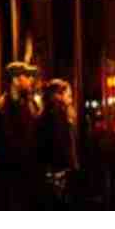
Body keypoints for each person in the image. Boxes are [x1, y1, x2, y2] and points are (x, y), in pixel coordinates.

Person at [0, 61, 41, 210]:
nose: (31, 80)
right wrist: (9, 156)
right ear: (15, 80)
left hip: (28, 177)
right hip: (6, 179)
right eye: (27, 76)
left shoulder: (32, 105)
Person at [38, 79, 79, 210]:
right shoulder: (55, 116)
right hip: (58, 173)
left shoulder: (60, 114)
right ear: (58, 96)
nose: (71, 99)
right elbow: (58, 146)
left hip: (60, 171)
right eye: (69, 95)